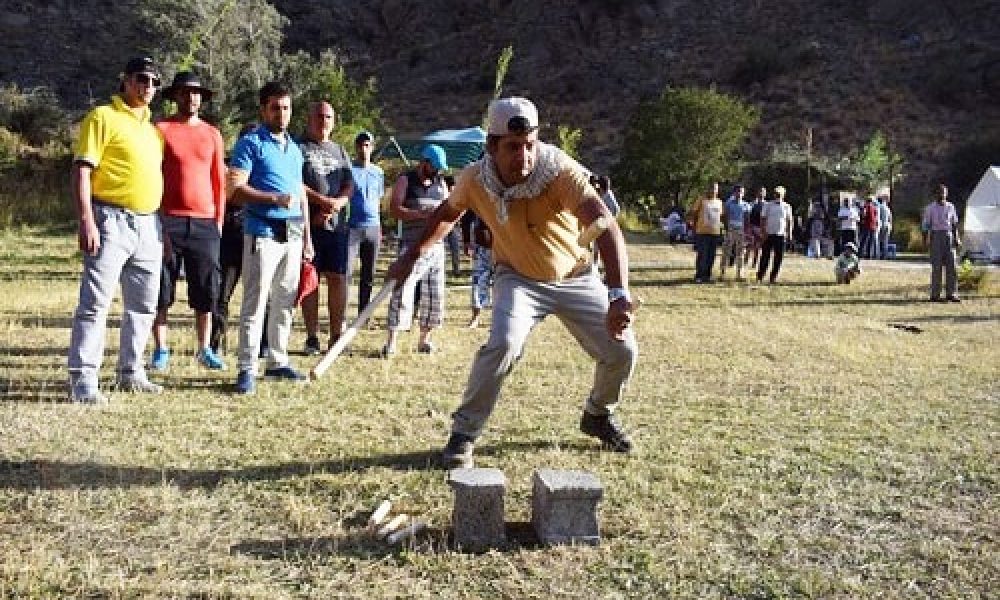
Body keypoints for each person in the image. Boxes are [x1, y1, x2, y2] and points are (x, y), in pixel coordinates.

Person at [386, 96, 638, 468]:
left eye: (530, 145)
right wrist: (411, 255)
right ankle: (464, 434)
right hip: (517, 279)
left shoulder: (559, 171)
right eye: (513, 147)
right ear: (491, 147)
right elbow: (447, 212)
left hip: (576, 276)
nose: (524, 157)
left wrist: (618, 294)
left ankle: (597, 415)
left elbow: (605, 225)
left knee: (622, 351)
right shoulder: (475, 179)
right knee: (502, 343)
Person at [67, 56, 165, 404]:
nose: (148, 87)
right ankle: (83, 379)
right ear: (125, 80)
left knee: (144, 305)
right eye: (142, 79)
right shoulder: (102, 117)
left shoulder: (153, 131)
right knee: (95, 302)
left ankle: (131, 372)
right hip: (110, 219)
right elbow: (82, 171)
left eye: (154, 82)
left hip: (148, 223)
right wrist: (86, 219)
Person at [228, 82, 314, 394]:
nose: (282, 113)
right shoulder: (250, 144)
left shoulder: (294, 149)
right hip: (261, 233)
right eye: (275, 107)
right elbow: (234, 189)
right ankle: (247, 368)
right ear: (264, 109)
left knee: (285, 300)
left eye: (287, 107)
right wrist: (271, 199)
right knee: (255, 302)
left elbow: (300, 192)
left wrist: (307, 236)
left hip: (292, 234)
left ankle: (277, 361)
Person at [149, 71, 227, 372]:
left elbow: (219, 180)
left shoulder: (212, 133)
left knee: (206, 289)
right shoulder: (161, 129)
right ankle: (161, 348)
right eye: (185, 92)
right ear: (175, 97)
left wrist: (218, 220)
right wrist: (157, 219)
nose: (191, 97)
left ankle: (204, 348)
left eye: (196, 93)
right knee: (162, 286)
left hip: (205, 222)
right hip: (169, 219)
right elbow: (152, 175)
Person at [381, 144, 451, 356]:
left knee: (434, 293)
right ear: (425, 162)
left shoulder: (441, 183)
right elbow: (394, 209)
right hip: (412, 243)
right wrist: (419, 214)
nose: (437, 171)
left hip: (436, 246)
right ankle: (392, 341)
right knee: (402, 290)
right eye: (434, 166)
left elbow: (449, 209)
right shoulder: (406, 180)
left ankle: (425, 339)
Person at [299, 102, 354, 355]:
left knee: (338, 278)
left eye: (329, 117)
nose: (324, 121)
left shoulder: (340, 150)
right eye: (319, 116)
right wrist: (321, 202)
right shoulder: (299, 147)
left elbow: (349, 185)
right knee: (311, 279)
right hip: (308, 225)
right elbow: (295, 183)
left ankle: (336, 335)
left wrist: (337, 203)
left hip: (337, 227)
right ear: (310, 119)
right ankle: (312, 336)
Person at [346, 130, 384, 316]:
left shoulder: (378, 172)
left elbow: (379, 198)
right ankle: (341, 313)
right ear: (356, 147)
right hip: (353, 226)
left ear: (372, 147)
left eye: (367, 145)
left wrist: (380, 227)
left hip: (373, 226)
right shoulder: (349, 170)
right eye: (360, 145)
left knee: (369, 274)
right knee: (346, 272)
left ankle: (364, 313)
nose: (364, 149)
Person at [921, 184, 961, 302]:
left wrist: (957, 238)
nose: (942, 195)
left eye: (944, 192)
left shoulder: (951, 207)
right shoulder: (930, 208)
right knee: (937, 267)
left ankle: (952, 293)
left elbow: (954, 224)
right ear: (936, 194)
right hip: (936, 236)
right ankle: (935, 294)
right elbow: (925, 226)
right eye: (939, 192)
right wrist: (924, 242)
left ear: (946, 194)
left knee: (952, 266)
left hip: (948, 236)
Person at [688, 182, 724, 283]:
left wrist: (722, 230)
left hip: (715, 233)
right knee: (702, 255)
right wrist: (693, 228)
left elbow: (721, 217)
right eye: (711, 188)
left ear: (717, 191)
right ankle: (699, 276)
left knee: (711, 256)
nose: (713, 190)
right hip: (702, 232)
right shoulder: (701, 200)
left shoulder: (720, 202)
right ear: (708, 189)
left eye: (715, 189)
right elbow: (694, 214)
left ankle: (707, 275)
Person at [756, 185, 793, 284]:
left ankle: (773, 277)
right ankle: (760, 276)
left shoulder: (787, 206)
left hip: (780, 235)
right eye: (776, 193)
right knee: (765, 256)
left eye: (779, 194)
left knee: (778, 258)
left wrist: (789, 233)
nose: (777, 195)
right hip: (768, 234)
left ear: (783, 195)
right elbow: (763, 219)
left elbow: (789, 221)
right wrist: (763, 232)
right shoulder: (768, 205)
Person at [467, 215, 494, 328]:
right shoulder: (479, 198)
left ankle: (499, 319)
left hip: (502, 247)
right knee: (477, 283)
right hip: (481, 246)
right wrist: (467, 241)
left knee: (503, 284)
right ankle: (475, 318)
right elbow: (467, 217)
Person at [720, 184, 750, 279]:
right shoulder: (729, 204)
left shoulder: (746, 205)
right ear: (734, 193)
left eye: (741, 192)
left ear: (743, 193)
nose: (739, 194)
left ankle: (739, 273)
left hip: (741, 230)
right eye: (738, 191)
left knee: (740, 252)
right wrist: (726, 228)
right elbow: (724, 216)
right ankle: (722, 272)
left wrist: (746, 231)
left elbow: (747, 219)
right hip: (730, 229)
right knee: (726, 251)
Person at [744, 187, 766, 267]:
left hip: (760, 228)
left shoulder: (766, 205)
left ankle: (754, 264)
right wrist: (748, 227)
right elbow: (748, 215)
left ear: (765, 194)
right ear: (757, 193)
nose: (761, 193)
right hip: (751, 227)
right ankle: (745, 262)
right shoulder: (752, 204)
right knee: (749, 246)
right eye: (760, 191)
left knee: (757, 247)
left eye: (763, 192)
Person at [878, 195, 893, 259]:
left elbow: (879, 217)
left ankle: (880, 254)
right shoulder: (887, 208)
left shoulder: (880, 207)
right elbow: (890, 218)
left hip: (882, 226)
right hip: (888, 225)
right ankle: (885, 255)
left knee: (880, 241)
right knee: (885, 241)